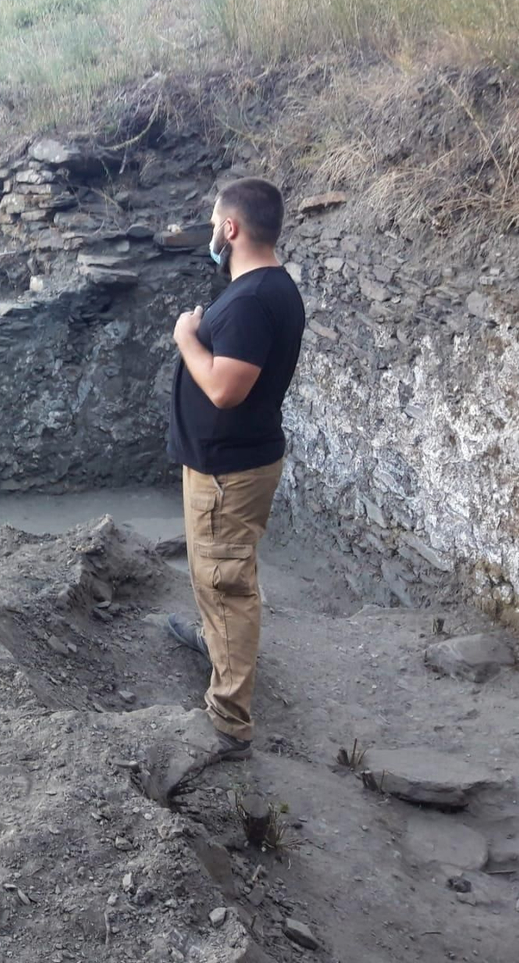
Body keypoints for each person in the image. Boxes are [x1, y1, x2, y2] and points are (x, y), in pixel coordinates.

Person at [162, 177, 305, 767]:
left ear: (231, 228)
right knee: (218, 574)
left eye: (215, 222)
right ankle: (218, 648)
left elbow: (224, 389)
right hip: (229, 465)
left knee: (225, 583)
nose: (213, 232)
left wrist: (186, 338)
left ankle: (228, 724)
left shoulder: (249, 301)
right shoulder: (267, 288)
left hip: (228, 473)